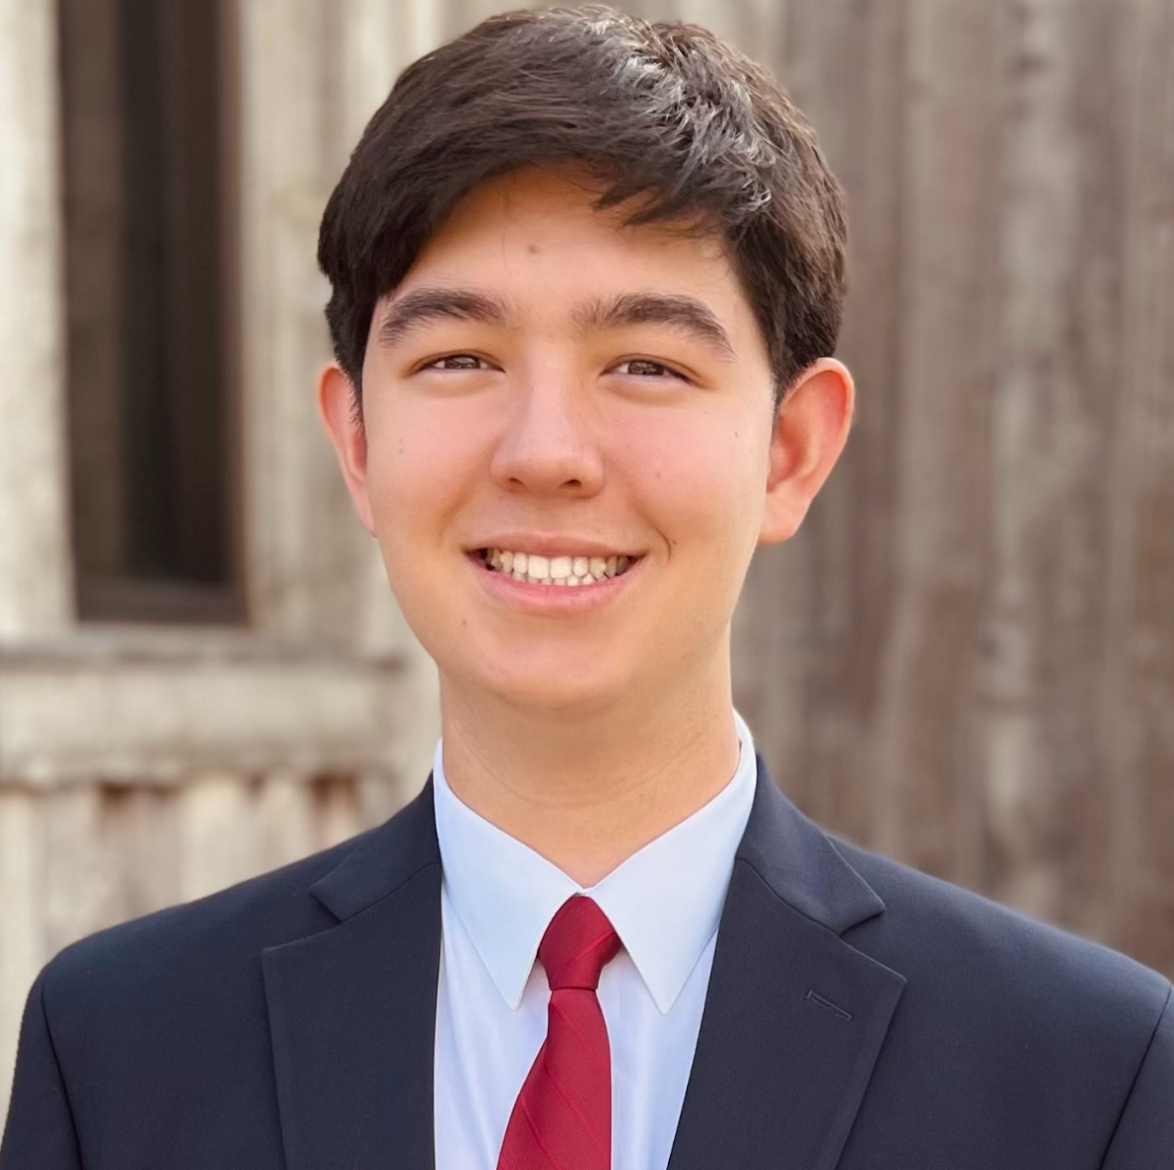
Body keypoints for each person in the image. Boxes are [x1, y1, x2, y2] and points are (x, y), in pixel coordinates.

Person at [3, 5, 1171, 1168]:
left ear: (789, 452)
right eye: (460, 358)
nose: (545, 450)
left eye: (645, 364)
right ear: (358, 441)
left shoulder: (1084, 1077)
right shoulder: (118, 1048)